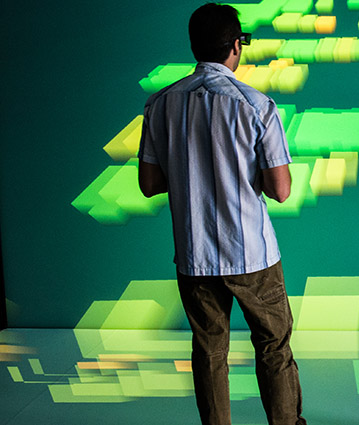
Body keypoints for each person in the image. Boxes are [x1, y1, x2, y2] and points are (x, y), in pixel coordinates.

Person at [138, 4, 306, 425]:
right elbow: (281, 191)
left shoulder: (160, 104)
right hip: (252, 254)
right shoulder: (256, 105)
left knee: (210, 352)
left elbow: (149, 184)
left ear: (194, 45)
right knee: (274, 347)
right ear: (236, 45)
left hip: (194, 254)